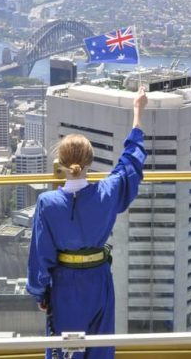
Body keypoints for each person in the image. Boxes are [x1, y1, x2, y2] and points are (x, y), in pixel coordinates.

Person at [27, 86, 148, 359]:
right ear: (90, 162)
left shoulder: (47, 203)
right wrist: (137, 113)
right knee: (100, 347)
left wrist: (40, 293)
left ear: (60, 162)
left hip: (64, 284)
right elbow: (130, 164)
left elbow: (41, 253)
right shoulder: (107, 192)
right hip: (98, 279)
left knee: (66, 349)